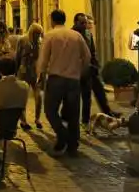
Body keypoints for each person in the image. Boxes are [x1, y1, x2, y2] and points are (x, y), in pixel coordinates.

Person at [38, 9, 91, 157]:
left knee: (50, 110)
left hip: (56, 79)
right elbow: (87, 57)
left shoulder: (50, 35)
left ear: (53, 20)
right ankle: (73, 144)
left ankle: (62, 134)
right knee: (74, 113)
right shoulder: (76, 36)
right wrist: (80, 72)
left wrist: (40, 76)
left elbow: (43, 60)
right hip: (74, 80)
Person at [73, 13, 114, 123]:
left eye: (86, 22)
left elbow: (93, 50)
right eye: (82, 23)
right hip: (79, 70)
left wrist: (95, 64)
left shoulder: (88, 33)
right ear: (75, 22)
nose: (85, 25)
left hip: (91, 68)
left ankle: (108, 113)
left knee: (100, 91)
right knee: (86, 96)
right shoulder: (71, 34)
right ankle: (85, 120)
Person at [15, 23, 44, 129]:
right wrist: (16, 70)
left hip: (35, 70)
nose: (38, 35)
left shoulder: (40, 42)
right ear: (32, 32)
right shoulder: (22, 40)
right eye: (36, 33)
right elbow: (17, 56)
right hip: (23, 70)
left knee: (39, 95)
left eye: (39, 33)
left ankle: (37, 118)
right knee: (22, 96)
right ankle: (23, 121)